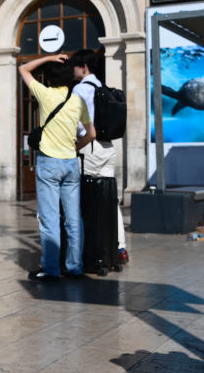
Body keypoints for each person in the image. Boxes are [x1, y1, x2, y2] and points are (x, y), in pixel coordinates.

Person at [19, 53, 95, 281]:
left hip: (49, 162)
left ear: (50, 78)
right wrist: (75, 147)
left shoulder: (46, 94)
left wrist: (49, 57)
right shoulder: (77, 101)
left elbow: (24, 69)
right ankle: (75, 267)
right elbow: (91, 134)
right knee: (74, 220)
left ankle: (51, 269)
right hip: (70, 163)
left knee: (50, 219)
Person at [70, 50, 129, 264]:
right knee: (110, 198)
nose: (72, 70)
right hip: (108, 147)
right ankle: (120, 248)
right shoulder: (102, 87)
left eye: (75, 66)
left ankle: (91, 248)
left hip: (89, 147)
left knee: (87, 199)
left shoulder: (80, 89)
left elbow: (76, 123)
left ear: (84, 67)